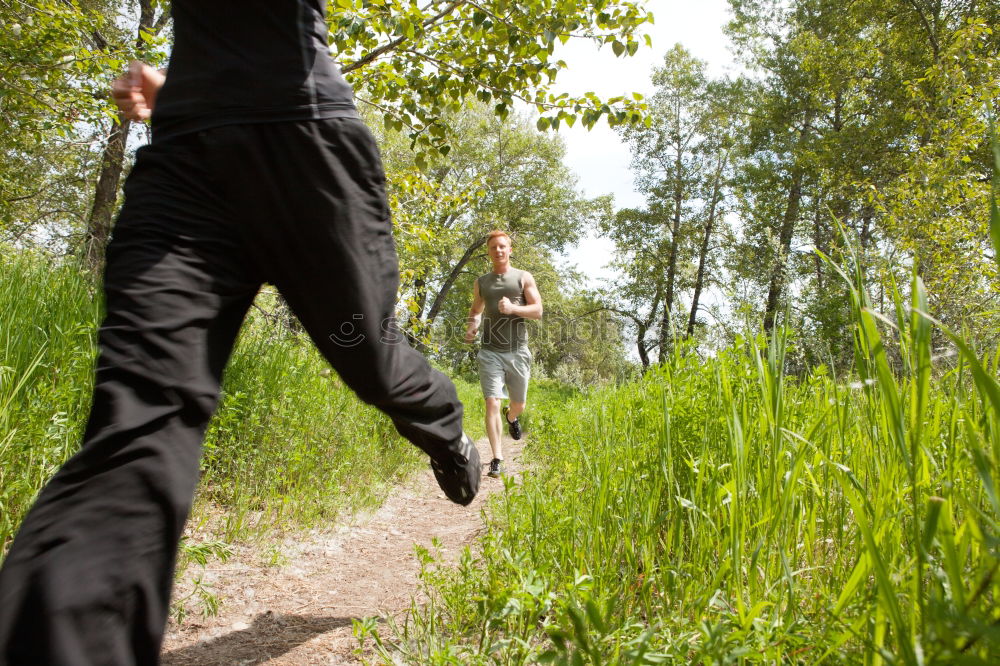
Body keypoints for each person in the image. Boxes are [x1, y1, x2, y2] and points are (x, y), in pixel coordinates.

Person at [0, 2, 480, 663]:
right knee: (140, 419)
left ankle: (445, 427)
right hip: (186, 164)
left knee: (365, 354)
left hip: (307, 154)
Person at [464, 230, 543, 478]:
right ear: (488, 252)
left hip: (518, 351)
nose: (497, 250)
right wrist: (472, 325)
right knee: (491, 401)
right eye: (493, 247)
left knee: (518, 404)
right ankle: (497, 457)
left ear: (509, 250)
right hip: (490, 351)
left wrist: (513, 308)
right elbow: (476, 310)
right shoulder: (482, 282)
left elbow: (538, 310)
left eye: (502, 247)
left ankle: (512, 417)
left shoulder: (522, 277)